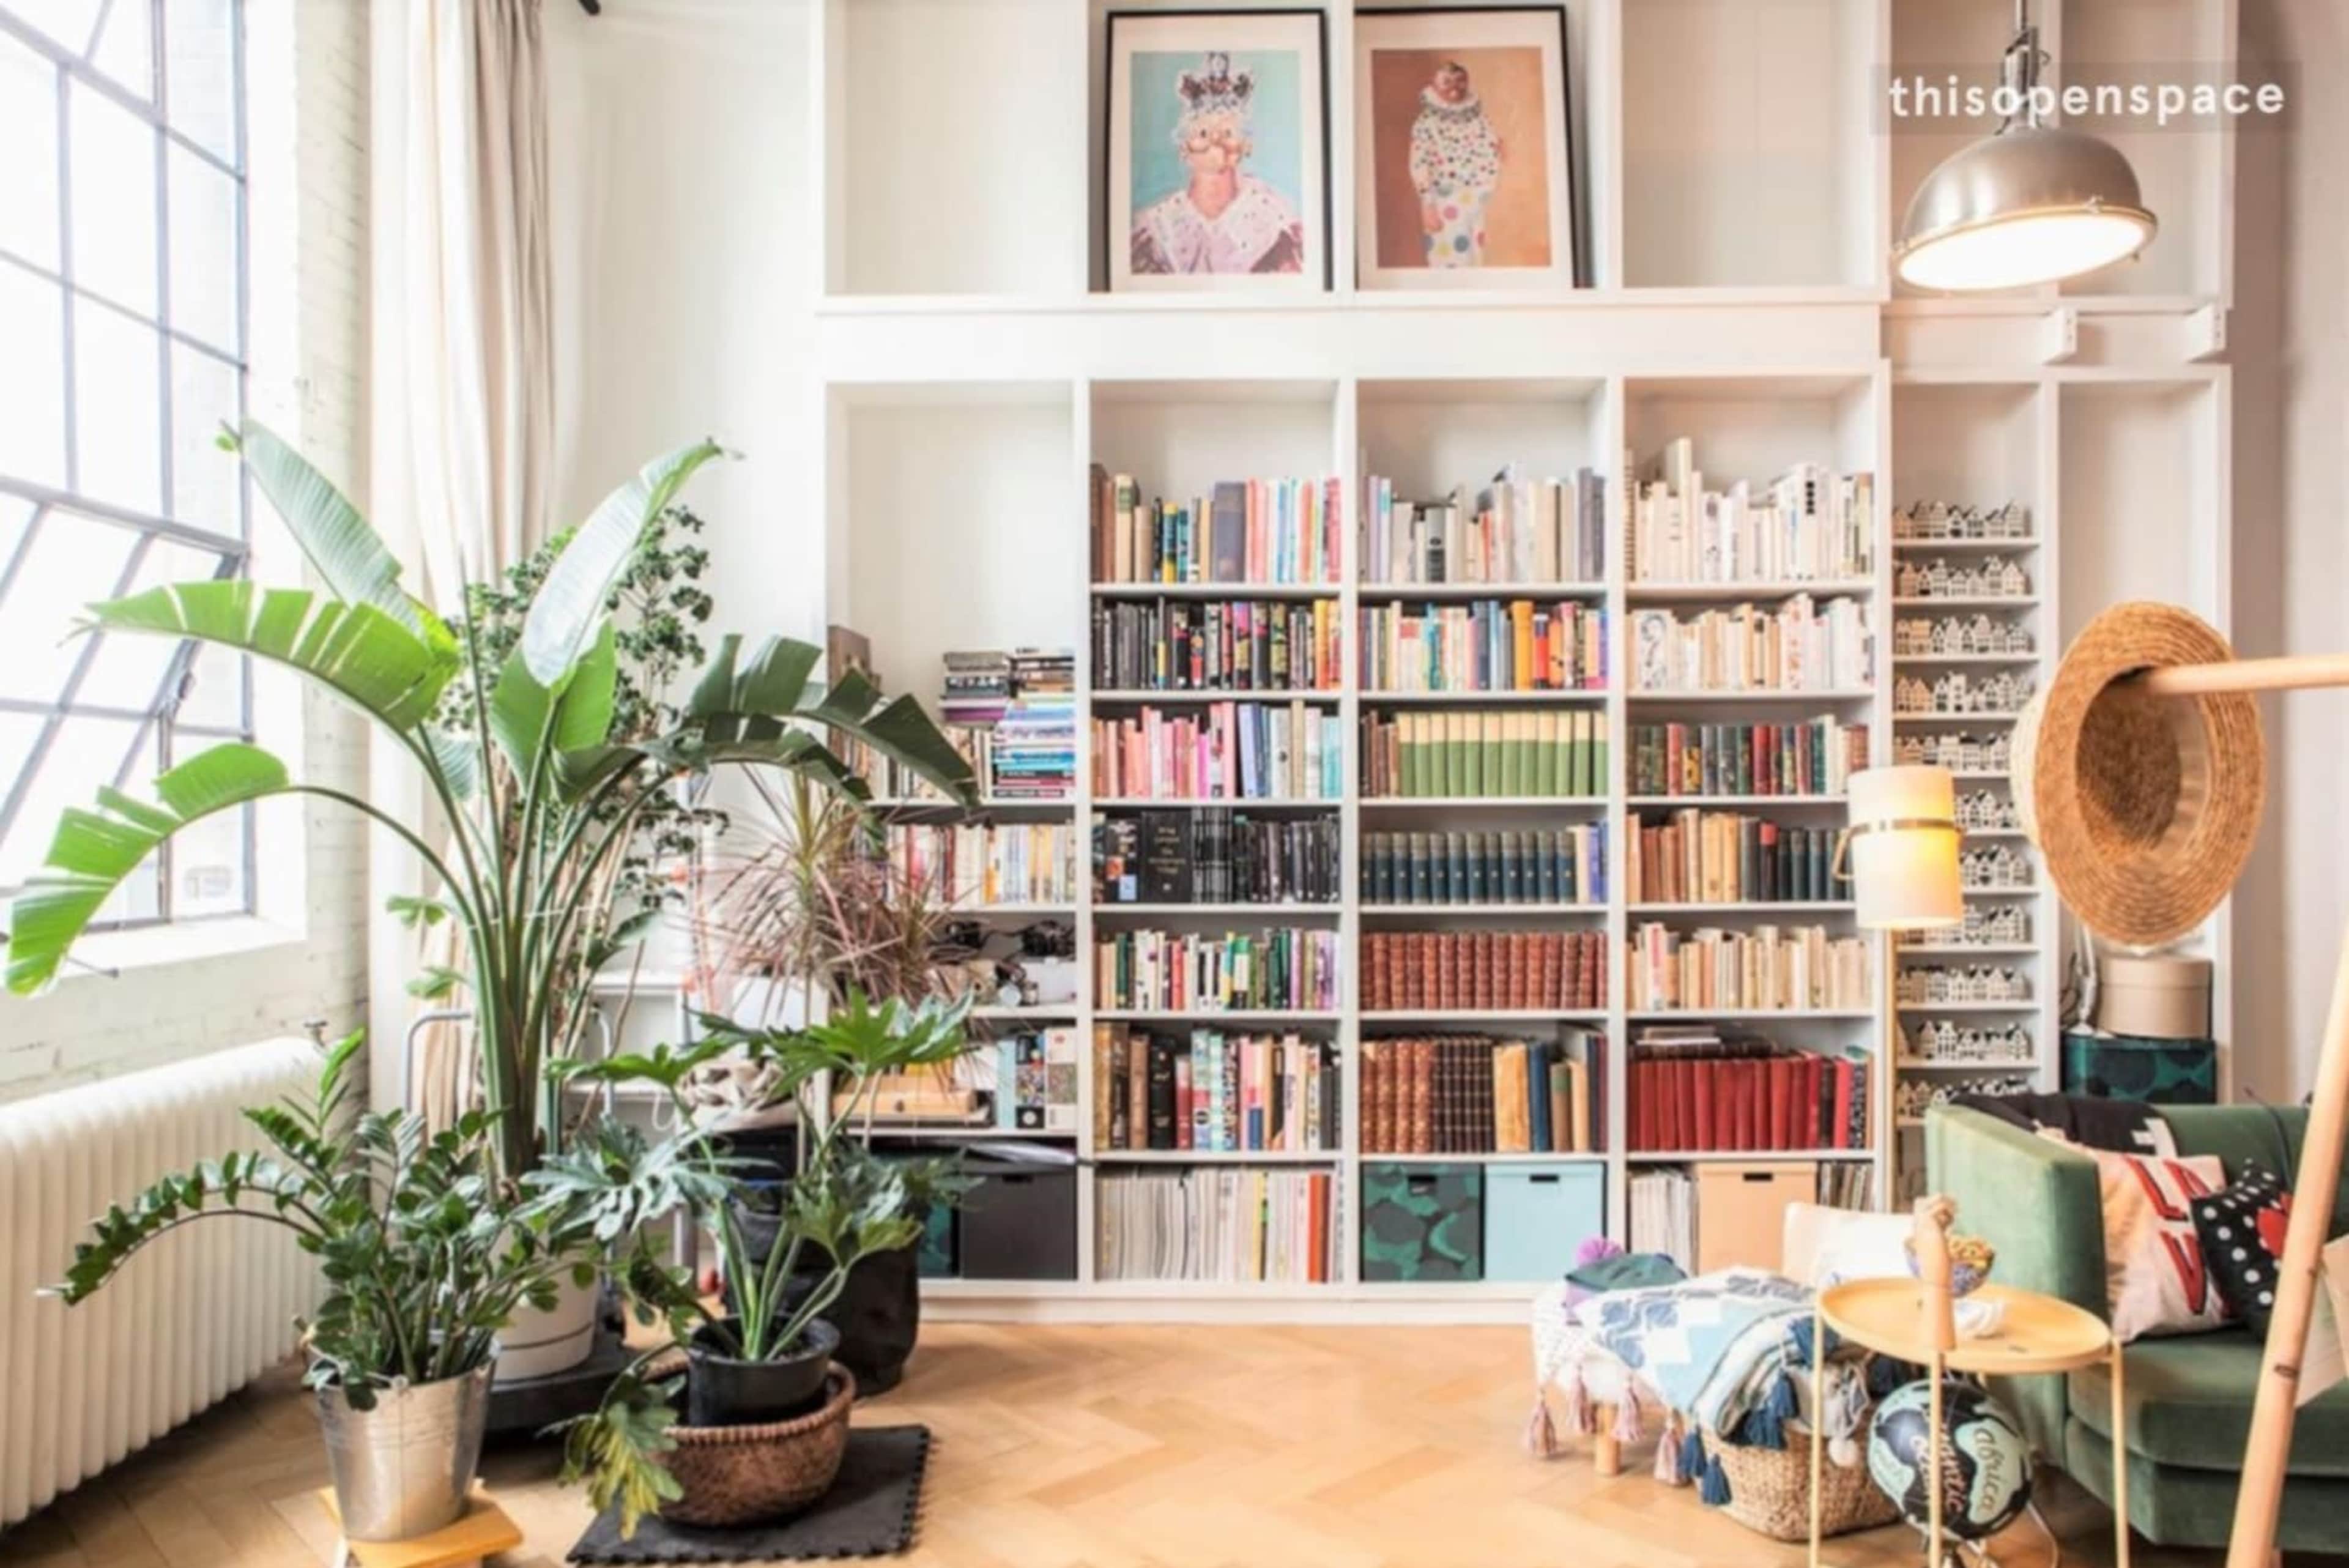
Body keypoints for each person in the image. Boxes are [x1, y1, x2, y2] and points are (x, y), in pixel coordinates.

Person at [1131, 52, 1305, 275]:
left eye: (1228, 132)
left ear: (1246, 146)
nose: (1216, 140)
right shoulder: (1159, 227)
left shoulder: (1273, 220)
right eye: (1203, 133)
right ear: (1184, 148)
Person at [1409, 60, 1502, 268]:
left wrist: (1489, 178)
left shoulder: (1478, 118)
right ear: (1434, 86)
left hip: (1476, 197)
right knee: (1447, 255)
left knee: (1475, 255)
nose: (1455, 87)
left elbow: (1491, 147)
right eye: (1447, 82)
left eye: (1460, 81)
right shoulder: (1426, 122)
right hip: (1443, 198)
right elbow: (1419, 163)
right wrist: (1428, 203)